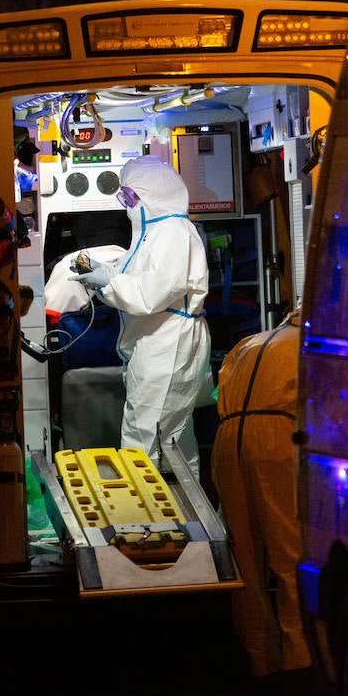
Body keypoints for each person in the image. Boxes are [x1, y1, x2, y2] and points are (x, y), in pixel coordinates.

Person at [72, 155, 210, 471]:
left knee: (146, 434)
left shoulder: (174, 231)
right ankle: (178, 510)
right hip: (155, 341)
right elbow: (131, 271)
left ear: (153, 194)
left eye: (131, 195)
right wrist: (97, 270)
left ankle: (148, 515)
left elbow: (151, 294)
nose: (127, 202)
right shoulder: (153, 231)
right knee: (169, 434)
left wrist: (106, 282)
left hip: (168, 342)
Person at [210, 312, 315, 696]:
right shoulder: (310, 345)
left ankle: (261, 660)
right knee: (291, 553)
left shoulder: (248, 344)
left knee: (245, 560)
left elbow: (216, 396)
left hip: (228, 438)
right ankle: (301, 661)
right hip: (276, 440)